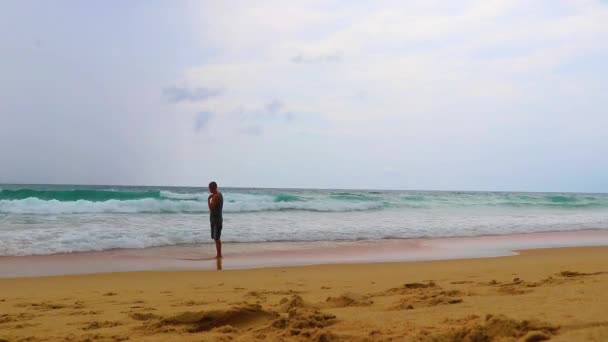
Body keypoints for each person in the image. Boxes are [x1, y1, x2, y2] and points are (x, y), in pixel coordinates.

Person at [208, 181, 224, 259]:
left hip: (216, 220)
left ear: (212, 188)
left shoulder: (216, 196)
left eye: (209, 188)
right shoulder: (219, 195)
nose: (209, 190)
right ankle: (219, 254)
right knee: (216, 238)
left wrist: (208, 199)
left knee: (217, 238)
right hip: (216, 219)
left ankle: (219, 255)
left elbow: (211, 207)